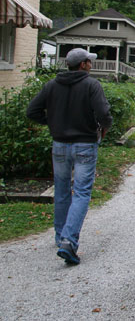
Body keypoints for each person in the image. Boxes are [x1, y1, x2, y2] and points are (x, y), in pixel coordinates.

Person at [26, 47, 113, 266]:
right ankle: (69, 240)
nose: (91, 65)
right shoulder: (91, 85)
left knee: (62, 189)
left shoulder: (52, 85)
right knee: (82, 192)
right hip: (85, 144)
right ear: (82, 64)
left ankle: (60, 235)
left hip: (60, 145)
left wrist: (53, 123)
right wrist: (105, 127)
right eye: (89, 62)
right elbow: (103, 113)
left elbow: (32, 111)